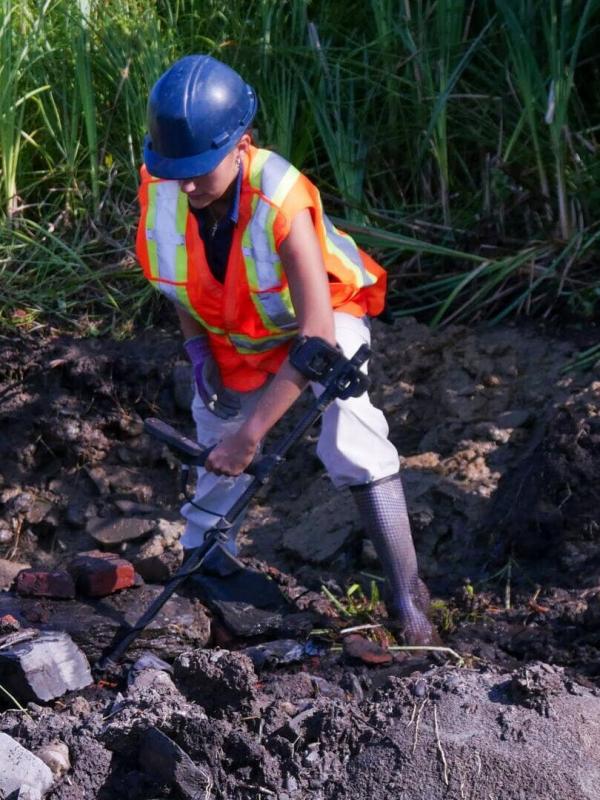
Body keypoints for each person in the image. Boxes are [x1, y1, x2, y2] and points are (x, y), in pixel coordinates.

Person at [136, 54, 436, 645]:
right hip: (239, 329)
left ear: (242, 146)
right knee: (217, 426)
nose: (187, 184)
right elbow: (178, 278)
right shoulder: (164, 185)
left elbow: (317, 338)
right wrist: (198, 353)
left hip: (324, 318)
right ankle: (208, 565)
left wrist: (253, 438)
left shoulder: (282, 201)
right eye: (176, 170)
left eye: (198, 171)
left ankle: (408, 595)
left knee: (349, 426)